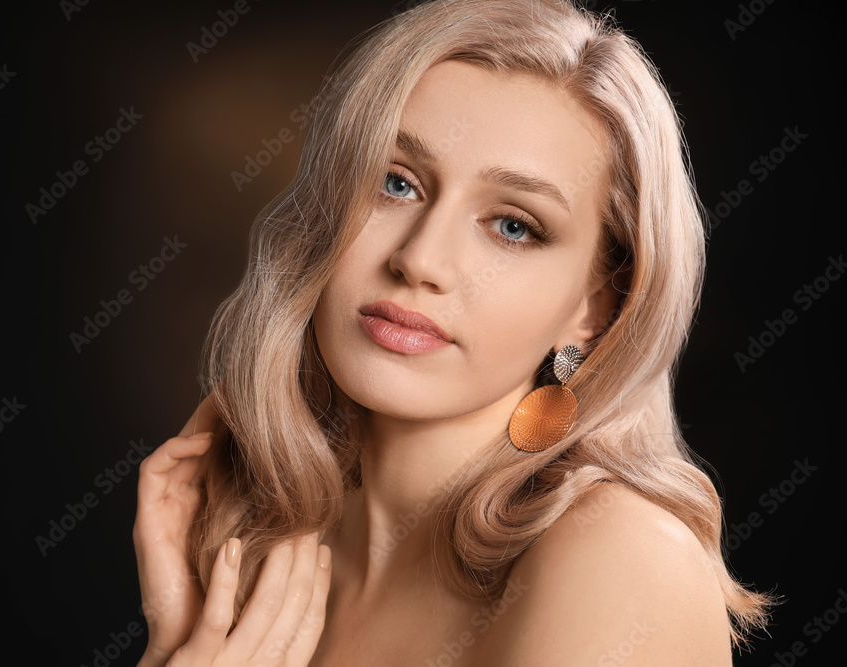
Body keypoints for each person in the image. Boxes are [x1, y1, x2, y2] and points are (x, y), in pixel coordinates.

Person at [133, 0, 776, 664]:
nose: (419, 260)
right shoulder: (260, 554)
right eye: (396, 183)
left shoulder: (622, 556)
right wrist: (176, 644)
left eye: (513, 225)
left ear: (597, 305)